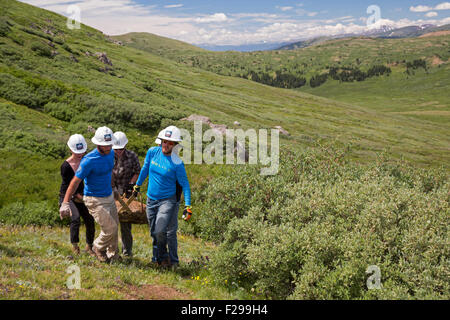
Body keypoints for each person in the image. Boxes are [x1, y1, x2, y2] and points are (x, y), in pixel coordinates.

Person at [134, 126, 192, 267]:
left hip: (167, 201)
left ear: (175, 145)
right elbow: (145, 169)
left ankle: (166, 258)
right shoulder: (152, 152)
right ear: (160, 141)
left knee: (160, 230)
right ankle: (158, 260)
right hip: (151, 199)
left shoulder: (177, 163)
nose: (166, 145)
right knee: (154, 232)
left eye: (170, 143)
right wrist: (137, 185)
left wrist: (188, 206)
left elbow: (185, 184)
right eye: (164, 141)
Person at [60, 126, 119, 263]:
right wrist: (65, 202)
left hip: (108, 195)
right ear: (98, 144)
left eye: (110, 143)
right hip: (94, 199)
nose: (109, 146)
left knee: (115, 228)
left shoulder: (111, 153)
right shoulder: (89, 160)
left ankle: (113, 255)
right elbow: (74, 182)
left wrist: (113, 188)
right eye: (105, 145)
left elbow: (109, 171)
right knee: (110, 228)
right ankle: (98, 247)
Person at [59, 134, 96, 256]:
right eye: (76, 152)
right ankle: (75, 246)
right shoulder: (66, 166)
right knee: (75, 218)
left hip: (83, 195)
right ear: (70, 150)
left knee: (90, 219)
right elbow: (68, 186)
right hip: (68, 196)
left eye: (81, 151)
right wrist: (76, 198)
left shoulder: (87, 161)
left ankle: (89, 246)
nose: (80, 154)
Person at [111, 131, 141, 257]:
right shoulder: (108, 156)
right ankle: (111, 250)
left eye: (121, 149)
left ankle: (127, 251)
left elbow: (138, 171)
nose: (118, 152)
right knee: (110, 222)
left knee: (125, 223)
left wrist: (132, 183)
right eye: (116, 149)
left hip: (126, 191)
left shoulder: (132, 156)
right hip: (111, 190)